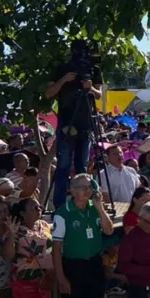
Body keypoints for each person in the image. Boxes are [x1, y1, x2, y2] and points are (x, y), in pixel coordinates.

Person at [52, 174, 113, 298]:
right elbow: (56, 248)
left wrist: (100, 207)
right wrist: (61, 277)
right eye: (84, 188)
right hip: (73, 266)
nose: (89, 191)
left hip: (93, 264)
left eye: (90, 188)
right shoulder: (63, 213)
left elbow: (109, 230)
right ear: (73, 189)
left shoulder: (93, 209)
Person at [46, 62, 103, 210]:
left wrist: (90, 88)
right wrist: (64, 80)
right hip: (67, 123)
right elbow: (49, 93)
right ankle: (60, 207)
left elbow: (99, 96)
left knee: (82, 167)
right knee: (63, 166)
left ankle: (83, 204)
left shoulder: (93, 68)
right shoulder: (62, 68)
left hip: (85, 125)